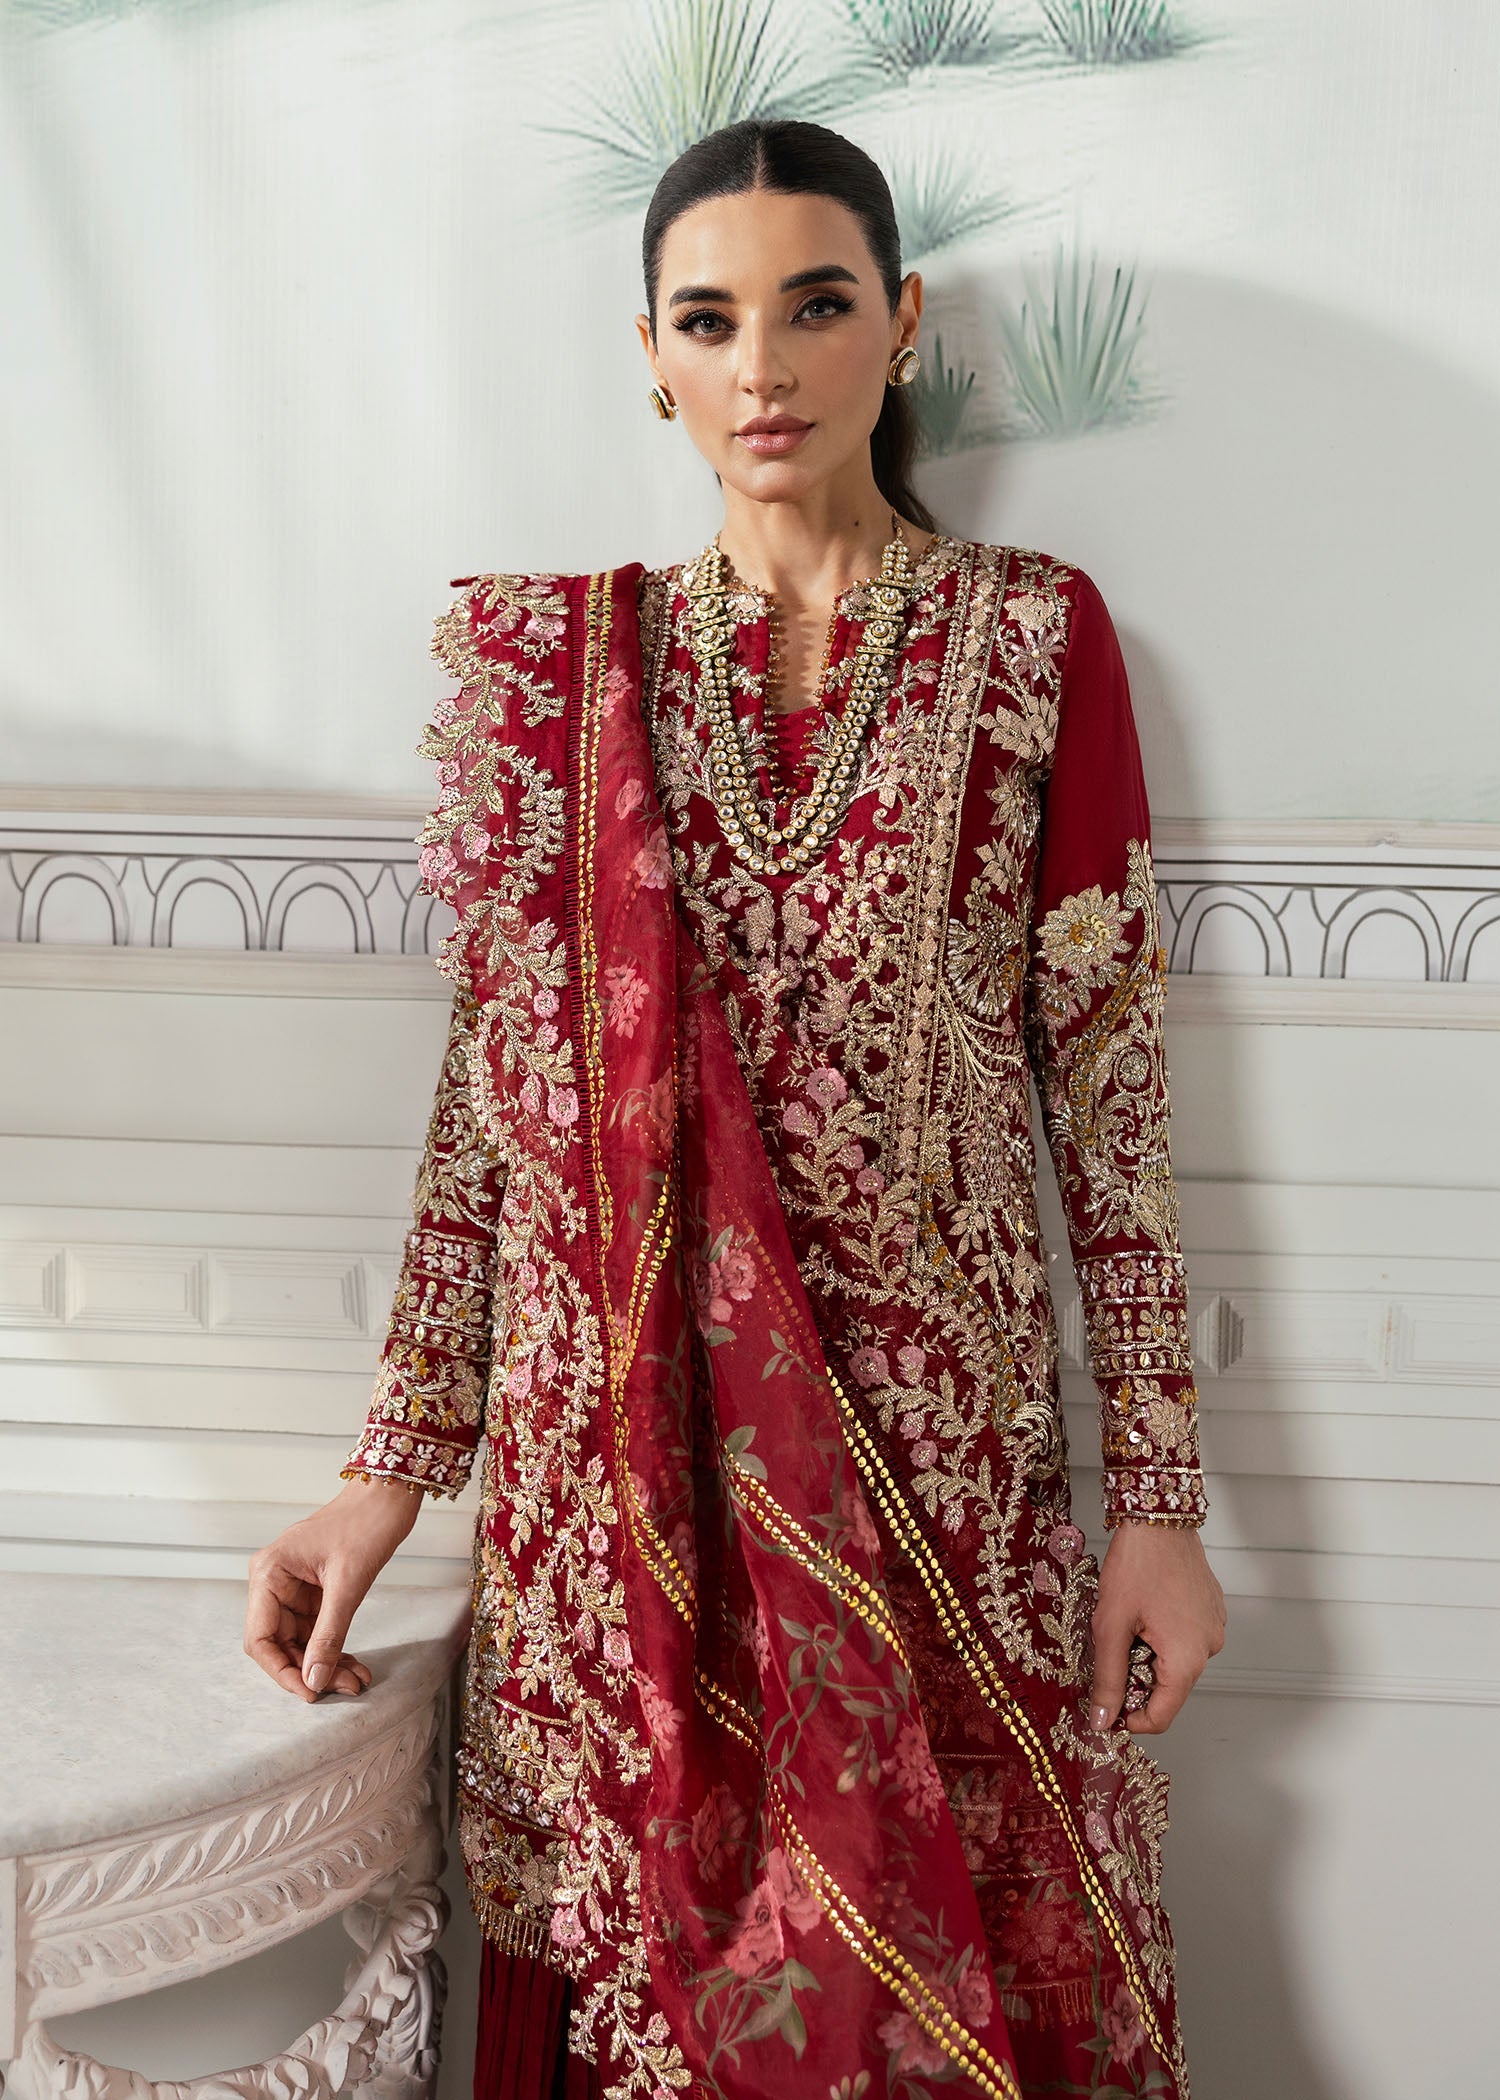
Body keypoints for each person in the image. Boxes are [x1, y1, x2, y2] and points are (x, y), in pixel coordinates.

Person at [245, 118, 1226, 2100]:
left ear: (902, 324)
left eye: (815, 305)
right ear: (651, 355)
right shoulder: (568, 676)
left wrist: (1161, 1505)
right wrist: (393, 1463)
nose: (762, 366)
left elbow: (1111, 1095)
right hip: (619, 1499)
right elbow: (492, 1105)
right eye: (709, 320)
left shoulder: (1032, 640)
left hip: (940, 1486)